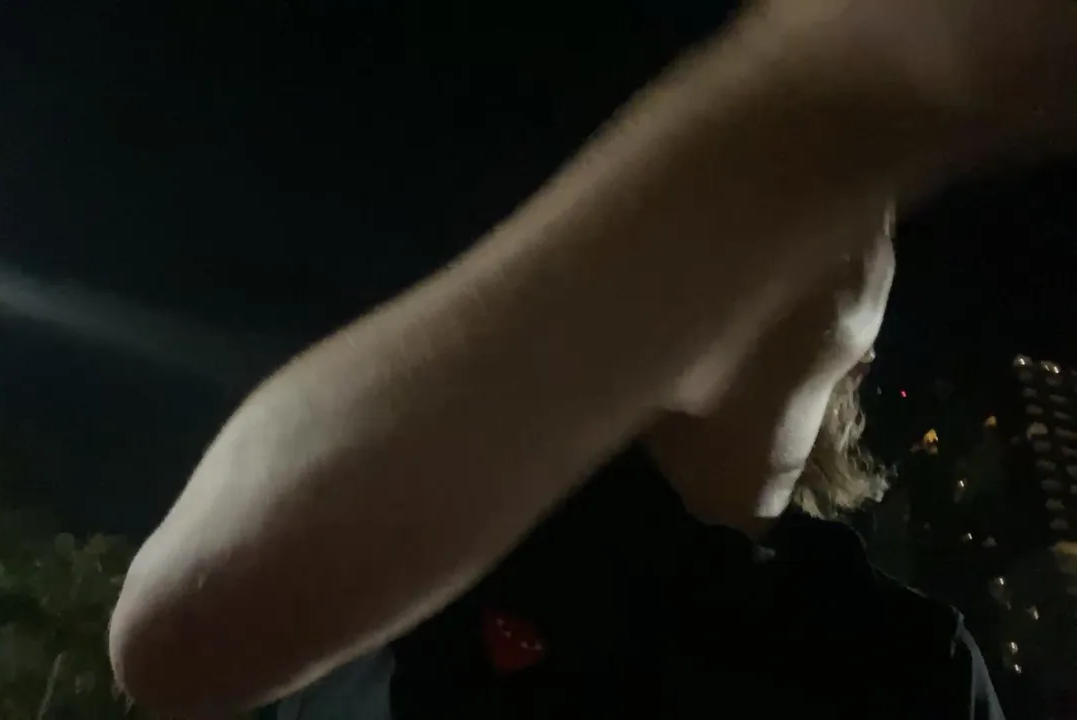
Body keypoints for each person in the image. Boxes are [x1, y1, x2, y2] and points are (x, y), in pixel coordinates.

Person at [109, 0, 1077, 717]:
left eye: (861, 192)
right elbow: (187, 631)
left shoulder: (910, 660)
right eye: (766, 184)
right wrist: (828, 72)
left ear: (863, 354)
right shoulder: (450, 537)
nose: (800, 199)